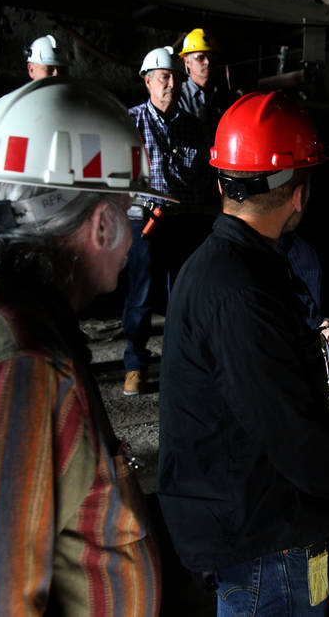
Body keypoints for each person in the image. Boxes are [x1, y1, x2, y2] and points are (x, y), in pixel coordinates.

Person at [157, 91, 329, 616]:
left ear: (222, 180)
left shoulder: (230, 268)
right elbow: (283, 421)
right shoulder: (241, 289)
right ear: (299, 194)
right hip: (264, 542)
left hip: (263, 522)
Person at [0, 78, 162, 613]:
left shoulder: (13, 321)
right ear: (102, 224)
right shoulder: (29, 367)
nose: (134, 238)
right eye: (130, 212)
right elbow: (2, 596)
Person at [122, 45, 213, 395]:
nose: (170, 84)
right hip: (143, 221)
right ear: (148, 82)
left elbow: (202, 175)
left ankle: (180, 363)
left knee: (183, 295)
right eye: (163, 77)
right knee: (141, 295)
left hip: (182, 221)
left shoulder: (192, 127)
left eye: (174, 77)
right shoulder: (131, 121)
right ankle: (136, 364)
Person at [177, 27, 236, 133]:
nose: (207, 62)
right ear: (187, 62)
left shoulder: (224, 95)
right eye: (200, 57)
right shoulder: (178, 97)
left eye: (211, 56)